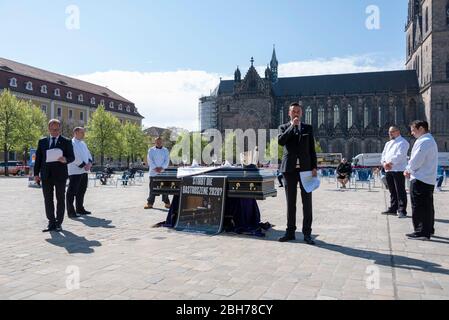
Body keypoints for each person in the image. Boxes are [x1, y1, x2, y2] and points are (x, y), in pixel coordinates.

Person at [278, 102, 318, 245]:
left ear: (301, 113)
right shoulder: (283, 127)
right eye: (293, 111)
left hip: (306, 169)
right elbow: (281, 142)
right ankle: (290, 232)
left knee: (307, 203)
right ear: (289, 113)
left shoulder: (308, 128)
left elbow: (312, 149)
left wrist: (314, 167)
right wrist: (292, 126)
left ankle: (307, 233)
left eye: (298, 111)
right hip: (289, 170)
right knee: (291, 203)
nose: (296, 113)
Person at [34, 119, 75, 232]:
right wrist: (36, 174)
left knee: (60, 199)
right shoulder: (42, 141)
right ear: (49, 129)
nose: (54, 132)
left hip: (60, 175)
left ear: (60, 129)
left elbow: (72, 157)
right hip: (46, 175)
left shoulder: (66, 141)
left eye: (56, 129)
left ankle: (58, 223)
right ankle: (51, 222)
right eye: (52, 129)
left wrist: (65, 159)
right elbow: (38, 159)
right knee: (48, 199)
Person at [404, 120, 438, 241]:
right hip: (427, 178)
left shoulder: (424, 141)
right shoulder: (430, 140)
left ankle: (421, 231)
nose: (412, 133)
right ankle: (428, 229)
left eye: (413, 130)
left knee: (419, 206)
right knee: (427, 206)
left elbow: (417, 160)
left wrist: (408, 170)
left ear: (422, 128)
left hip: (420, 178)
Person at [381, 126, 410, 218]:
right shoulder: (388, 143)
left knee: (400, 190)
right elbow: (383, 155)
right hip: (388, 170)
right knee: (392, 190)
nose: (390, 134)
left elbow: (400, 155)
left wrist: (390, 163)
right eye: (389, 132)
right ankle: (393, 208)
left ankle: (402, 210)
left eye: (392, 132)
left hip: (398, 170)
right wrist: (384, 163)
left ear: (398, 131)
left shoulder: (403, 142)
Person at [66, 127, 93, 218]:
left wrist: (89, 163)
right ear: (76, 132)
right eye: (82, 132)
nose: (84, 134)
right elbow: (74, 156)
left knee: (82, 191)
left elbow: (88, 154)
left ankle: (80, 208)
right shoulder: (71, 143)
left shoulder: (83, 143)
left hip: (84, 171)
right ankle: (71, 211)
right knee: (72, 192)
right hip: (75, 171)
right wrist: (83, 165)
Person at [144, 137, 171, 209]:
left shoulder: (166, 150)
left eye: (160, 142)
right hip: (153, 172)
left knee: (165, 188)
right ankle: (150, 203)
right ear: (155, 142)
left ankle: (167, 203)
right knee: (152, 188)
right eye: (157, 142)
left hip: (163, 172)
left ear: (162, 142)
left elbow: (167, 160)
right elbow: (149, 160)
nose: (158, 143)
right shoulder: (151, 150)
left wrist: (162, 167)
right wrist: (155, 168)